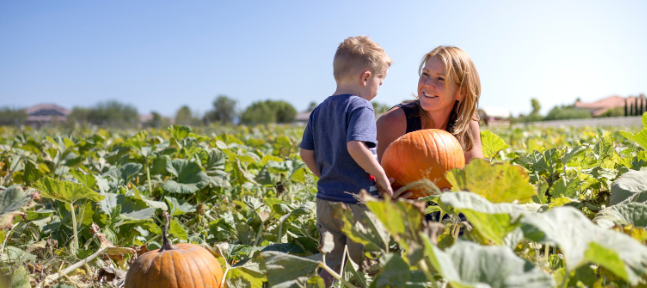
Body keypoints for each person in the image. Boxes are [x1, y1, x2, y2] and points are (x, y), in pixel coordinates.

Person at [299, 36, 393, 287]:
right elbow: (355, 146)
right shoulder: (360, 106)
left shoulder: (319, 110)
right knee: (359, 264)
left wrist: (326, 176)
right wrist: (381, 176)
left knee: (330, 261)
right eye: (379, 82)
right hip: (356, 202)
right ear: (366, 77)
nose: (378, 89)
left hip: (326, 200)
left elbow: (306, 153)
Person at [377, 46, 483, 166]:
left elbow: (476, 177)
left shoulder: (466, 124)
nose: (428, 84)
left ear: (461, 92)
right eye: (426, 74)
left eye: (440, 79)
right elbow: (375, 179)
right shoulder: (393, 121)